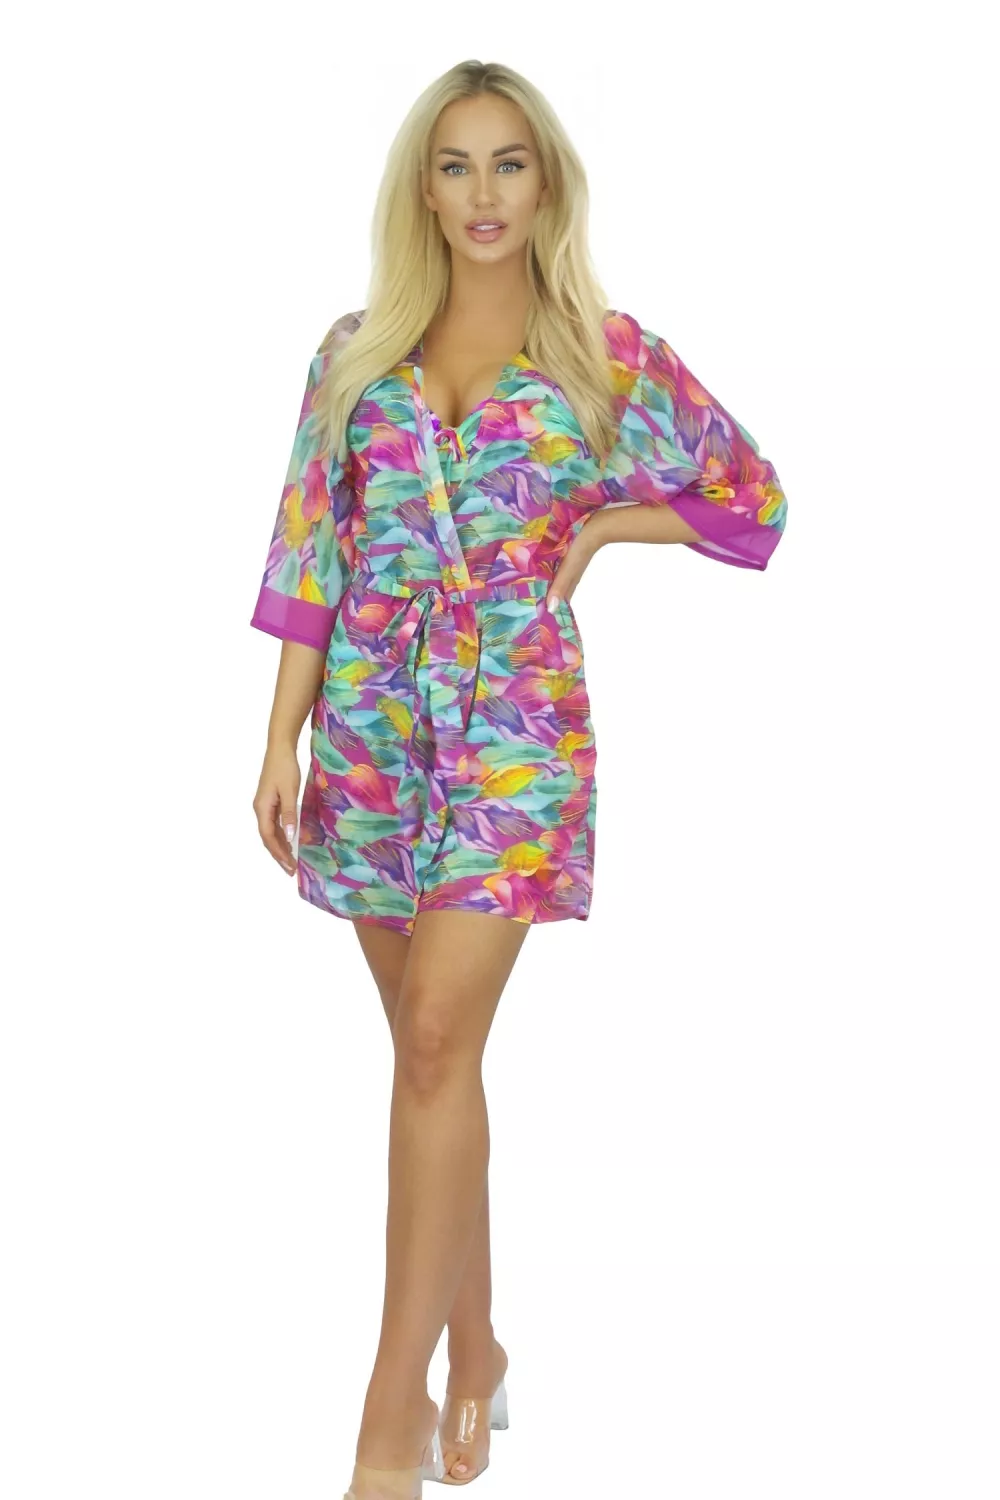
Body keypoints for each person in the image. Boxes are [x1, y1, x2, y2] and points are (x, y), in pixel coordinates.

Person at [250, 58, 787, 1500]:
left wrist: (607, 525)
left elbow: (752, 495)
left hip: (514, 732)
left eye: (509, 163)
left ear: (547, 182)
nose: (483, 192)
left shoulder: (605, 355)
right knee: (434, 1063)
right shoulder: (353, 355)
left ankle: (388, 1423)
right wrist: (280, 737)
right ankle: (479, 1350)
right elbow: (311, 550)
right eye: (456, 165)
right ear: (421, 191)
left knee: (435, 1040)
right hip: (372, 727)